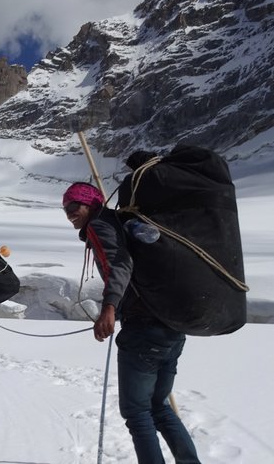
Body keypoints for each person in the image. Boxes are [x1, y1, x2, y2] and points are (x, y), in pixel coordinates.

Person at [63, 181, 201, 464]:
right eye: (66, 208)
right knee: (159, 408)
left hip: (144, 330)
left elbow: (120, 264)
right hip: (171, 326)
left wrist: (109, 307)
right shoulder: (121, 224)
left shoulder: (100, 226)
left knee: (138, 413)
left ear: (90, 204)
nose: (69, 213)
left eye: (74, 206)